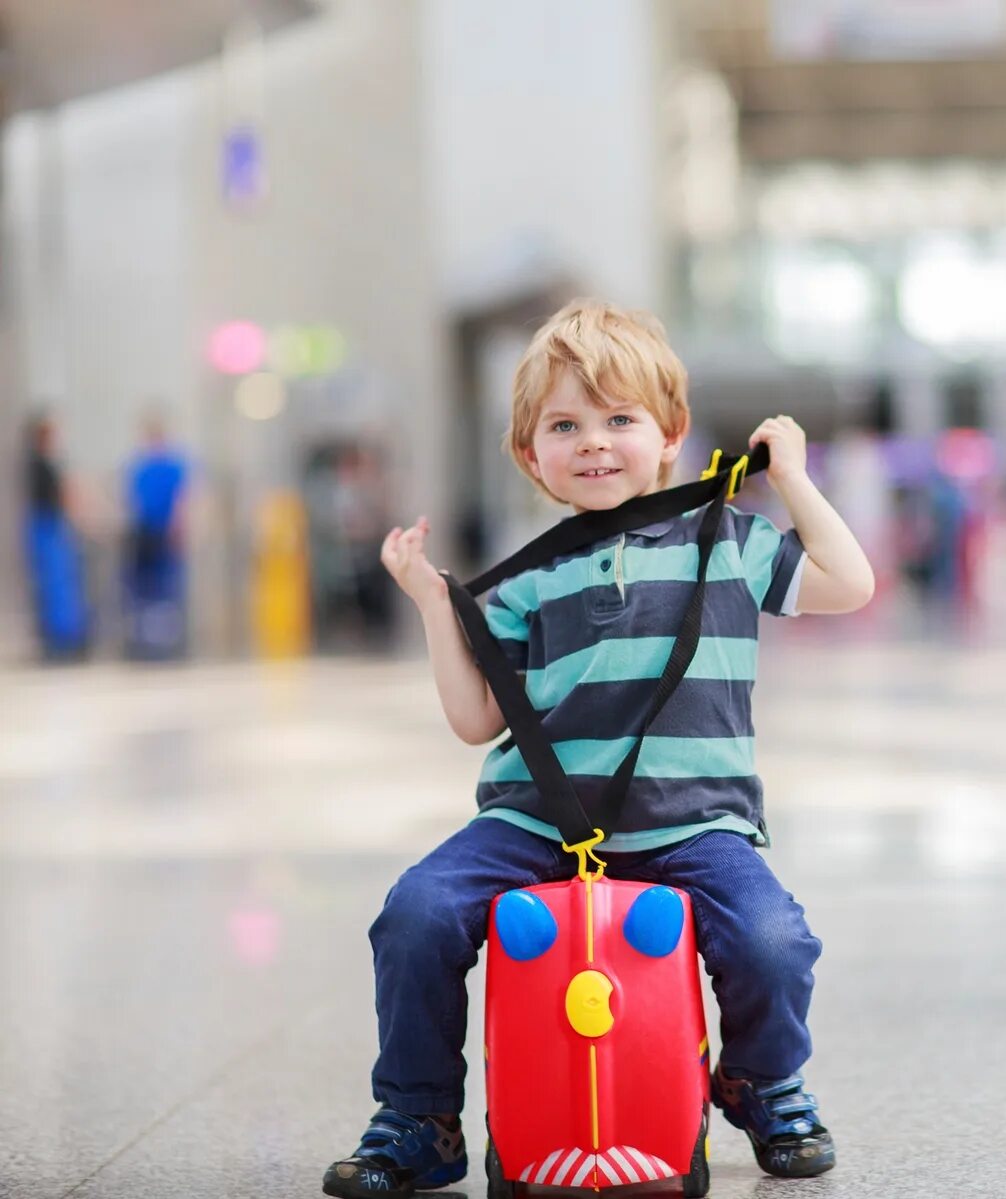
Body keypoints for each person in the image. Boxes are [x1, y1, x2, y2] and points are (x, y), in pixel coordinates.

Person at [322, 302, 875, 1198]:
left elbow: (849, 583)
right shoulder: (529, 574)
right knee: (417, 911)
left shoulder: (726, 541)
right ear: (528, 454)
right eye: (565, 426)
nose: (595, 443)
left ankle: (760, 1080)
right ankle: (419, 1115)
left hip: (695, 822)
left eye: (621, 419)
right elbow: (476, 720)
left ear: (671, 436)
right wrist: (434, 605)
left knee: (773, 937)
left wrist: (795, 483)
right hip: (536, 821)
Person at [22, 413, 91, 660]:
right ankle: (59, 641)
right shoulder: (38, 464)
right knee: (54, 588)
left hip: (51, 526)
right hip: (46, 527)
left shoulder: (46, 463)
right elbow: (62, 496)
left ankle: (65, 639)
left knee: (60, 588)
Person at [121, 412, 190, 659]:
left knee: (166, 590)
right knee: (146, 591)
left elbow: (182, 500)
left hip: (163, 534)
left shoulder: (173, 465)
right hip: (145, 535)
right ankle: (147, 642)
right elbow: (133, 503)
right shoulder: (140, 466)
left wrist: (177, 527)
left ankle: (168, 643)